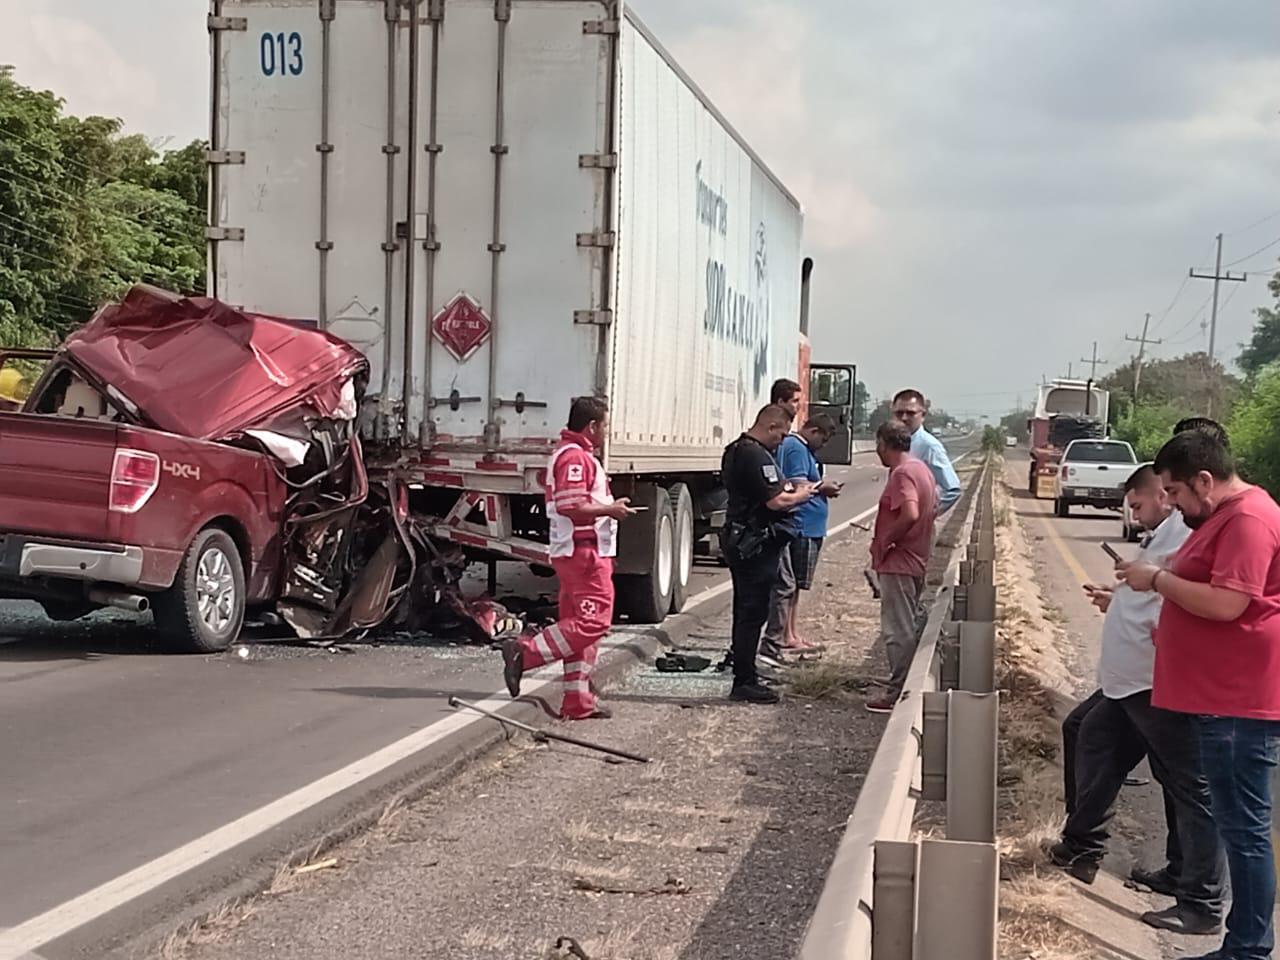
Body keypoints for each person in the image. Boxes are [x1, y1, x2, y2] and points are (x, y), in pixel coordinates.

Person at [1118, 431, 1280, 960]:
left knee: (1245, 833)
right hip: (1218, 697)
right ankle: (1246, 943)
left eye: (1176, 493)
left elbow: (1230, 604)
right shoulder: (1222, 519)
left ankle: (1248, 947)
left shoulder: (1248, 521)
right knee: (1240, 828)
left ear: (1204, 481)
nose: (1172, 504)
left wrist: (1158, 581)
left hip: (1238, 702)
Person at [1050, 465, 1223, 934]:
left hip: (1157, 680)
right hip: (1131, 682)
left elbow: (1191, 596)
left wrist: (1142, 589)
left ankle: (1202, 903)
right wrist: (1121, 597)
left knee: (1191, 787)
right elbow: (1155, 590)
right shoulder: (1171, 530)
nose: (1160, 502)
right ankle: (1082, 846)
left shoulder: (1197, 530)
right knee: (1090, 738)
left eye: (1166, 493)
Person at [502, 397, 636, 720]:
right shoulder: (575, 458)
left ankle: (577, 701)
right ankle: (525, 653)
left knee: (578, 626)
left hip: (581, 551)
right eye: (604, 425)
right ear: (592, 427)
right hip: (583, 552)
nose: (606, 432)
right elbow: (570, 506)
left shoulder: (575, 455)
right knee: (594, 622)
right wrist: (610, 510)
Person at [720, 404, 817, 704]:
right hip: (755, 544)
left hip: (745, 539)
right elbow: (775, 502)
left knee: (747, 611)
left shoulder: (736, 450)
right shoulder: (754, 454)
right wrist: (805, 494)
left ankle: (746, 673)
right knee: (752, 613)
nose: (782, 440)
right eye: (782, 434)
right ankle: (744, 681)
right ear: (772, 427)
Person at [760, 414, 843, 665]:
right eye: (824, 439)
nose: (823, 445)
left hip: (809, 524)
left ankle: (790, 632)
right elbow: (796, 482)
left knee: (795, 584)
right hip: (802, 525)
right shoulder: (796, 448)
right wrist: (822, 487)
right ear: (814, 431)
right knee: (791, 583)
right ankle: (785, 634)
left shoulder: (801, 448)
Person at [865, 420, 937, 713]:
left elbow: (910, 512)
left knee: (897, 630)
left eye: (878, 445)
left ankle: (897, 693)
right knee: (908, 624)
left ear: (884, 444)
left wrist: (885, 541)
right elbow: (933, 508)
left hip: (899, 561)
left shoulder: (903, 474)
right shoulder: (921, 469)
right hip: (915, 558)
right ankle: (905, 684)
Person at [891, 389, 961, 514]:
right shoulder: (896, 443)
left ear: (923, 416)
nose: (904, 418)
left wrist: (926, 516)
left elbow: (952, 490)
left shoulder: (930, 446)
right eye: (899, 413)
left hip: (915, 526)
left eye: (910, 413)